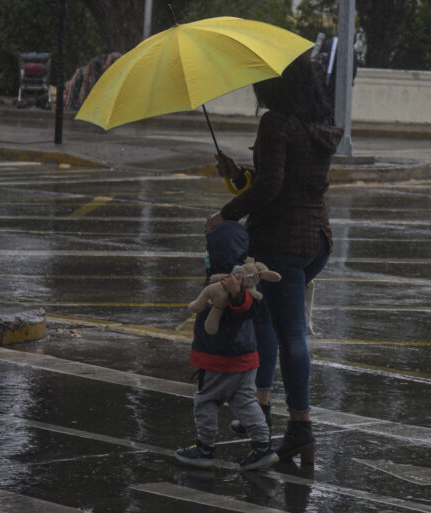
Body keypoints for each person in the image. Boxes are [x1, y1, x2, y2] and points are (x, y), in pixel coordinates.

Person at [206, 52, 343, 464]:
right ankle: (259, 408)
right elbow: (282, 179)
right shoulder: (317, 125)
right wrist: (237, 174)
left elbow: (270, 190)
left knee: (287, 335)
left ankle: (299, 425)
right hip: (315, 240)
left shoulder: (275, 123)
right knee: (268, 322)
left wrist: (224, 214)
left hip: (280, 242)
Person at [175, 221, 279, 471]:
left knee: (207, 401)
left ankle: (205, 447)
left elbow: (244, 309)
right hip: (245, 358)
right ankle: (262, 446)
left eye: (208, 249)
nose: (206, 254)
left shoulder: (233, 282)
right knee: (244, 401)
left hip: (220, 358)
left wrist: (235, 295)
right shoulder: (240, 276)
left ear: (217, 251)